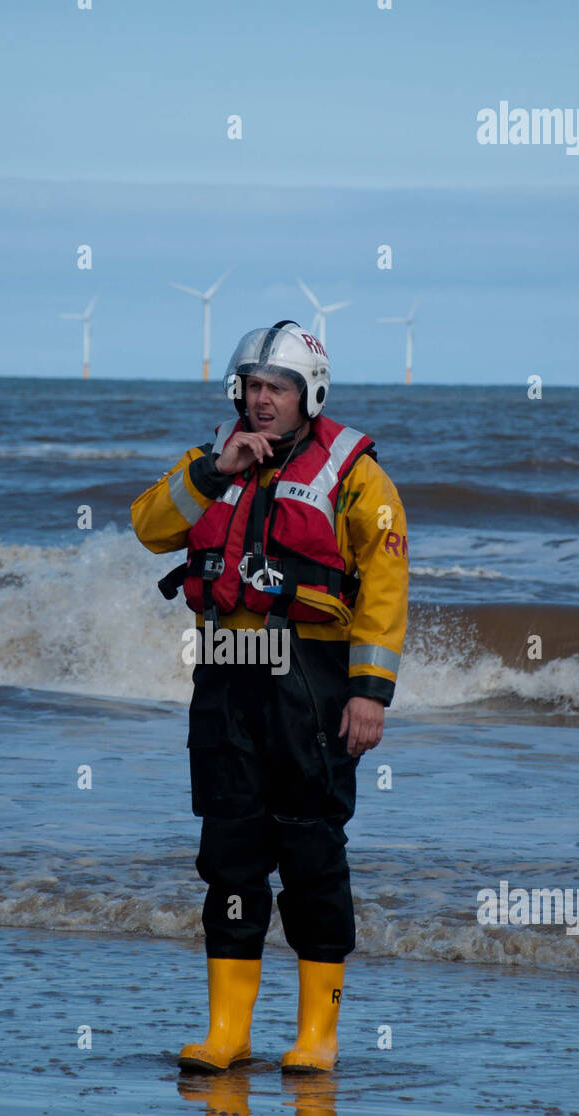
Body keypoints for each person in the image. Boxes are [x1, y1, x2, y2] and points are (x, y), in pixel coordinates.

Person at [130, 320, 408, 1073]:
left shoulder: (356, 474)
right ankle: (227, 1034)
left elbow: (384, 587)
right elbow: (148, 526)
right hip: (224, 672)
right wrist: (215, 473)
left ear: (307, 395)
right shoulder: (212, 460)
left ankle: (316, 1038)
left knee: (313, 851)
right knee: (229, 854)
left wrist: (370, 694)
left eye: (275, 389)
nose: (260, 401)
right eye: (251, 387)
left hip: (311, 683)